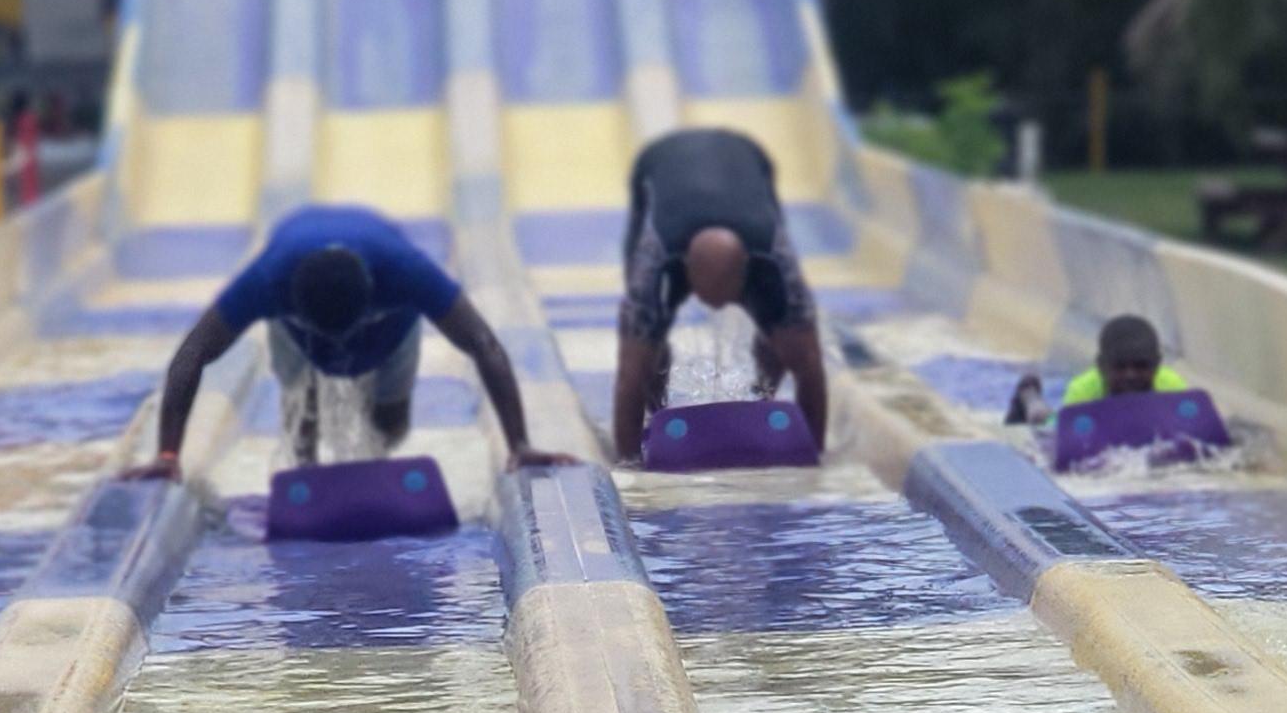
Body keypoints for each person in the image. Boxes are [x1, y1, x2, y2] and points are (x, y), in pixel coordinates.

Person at [139, 203, 562, 478]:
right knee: (302, 406)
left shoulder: (405, 272)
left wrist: (519, 444)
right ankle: (304, 469)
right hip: (299, 329)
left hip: (388, 329)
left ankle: (370, 466)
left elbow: (482, 342)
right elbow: (194, 351)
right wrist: (167, 456)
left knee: (390, 422)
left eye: (345, 335)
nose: (339, 352)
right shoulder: (267, 281)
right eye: (328, 337)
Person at [614, 126, 827, 461]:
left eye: (726, 293)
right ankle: (657, 408)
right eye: (706, 292)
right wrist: (629, 464)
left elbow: (810, 365)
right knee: (642, 342)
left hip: (749, 162)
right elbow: (628, 374)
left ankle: (764, 394)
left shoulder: (772, 253)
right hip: (657, 167)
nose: (715, 304)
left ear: (745, 269)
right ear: (686, 271)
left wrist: (815, 455)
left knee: (789, 334)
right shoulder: (656, 259)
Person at [1008, 313, 1190, 424]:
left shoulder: (1172, 388)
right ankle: (1030, 398)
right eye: (1120, 367)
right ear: (1101, 366)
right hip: (1081, 418)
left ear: (1157, 364)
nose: (1131, 375)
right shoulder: (1082, 391)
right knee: (1049, 424)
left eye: (1141, 366)